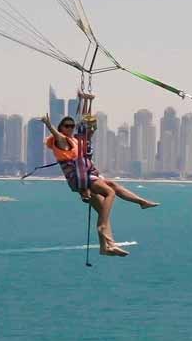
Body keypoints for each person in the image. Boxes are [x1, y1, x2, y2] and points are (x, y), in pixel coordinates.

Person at [42, 91, 158, 257]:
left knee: (109, 193)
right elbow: (59, 135)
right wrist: (49, 124)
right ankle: (104, 225)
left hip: (86, 176)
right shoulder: (62, 142)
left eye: (71, 126)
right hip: (81, 178)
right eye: (66, 126)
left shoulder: (76, 139)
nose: (70, 128)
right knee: (109, 192)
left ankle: (107, 246)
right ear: (61, 128)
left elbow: (85, 123)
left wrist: (86, 101)